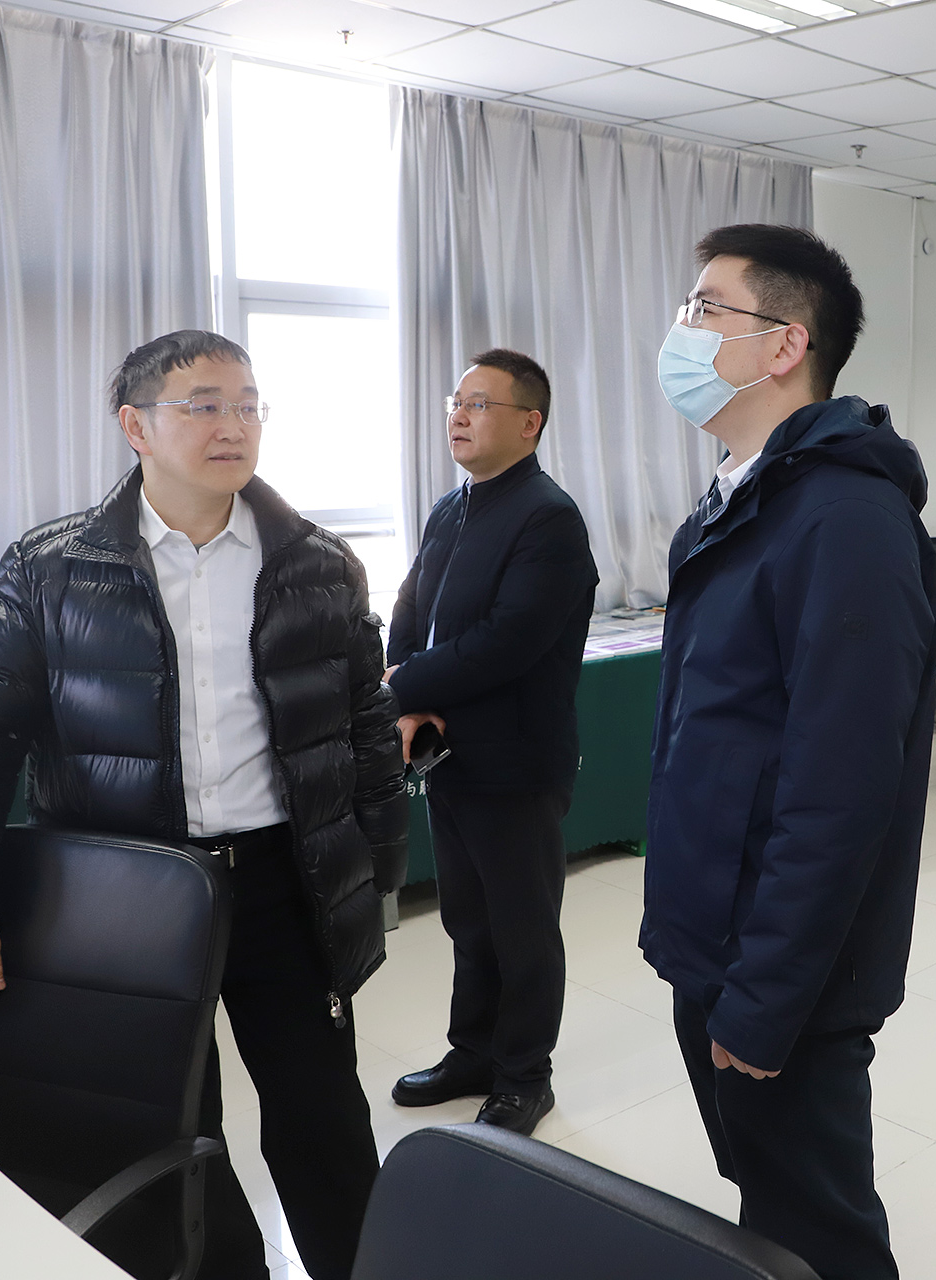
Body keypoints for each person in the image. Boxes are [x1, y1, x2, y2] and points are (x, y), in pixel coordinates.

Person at [0, 330, 407, 1280]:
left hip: (283, 884)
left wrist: (374, 869)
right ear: (135, 426)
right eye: (204, 405)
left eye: (248, 405)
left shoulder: (317, 562)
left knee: (324, 1117)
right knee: (167, 1122)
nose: (234, 426)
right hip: (129, 894)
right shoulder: (54, 568)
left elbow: (365, 727)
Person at [642, 224, 936, 1280]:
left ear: (783, 344)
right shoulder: (740, 499)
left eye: (705, 308)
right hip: (717, 939)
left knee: (819, 1232)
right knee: (764, 1205)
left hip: (786, 969)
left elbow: (840, 791)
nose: (682, 328)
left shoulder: (846, 517)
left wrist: (765, 996)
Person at [383, 347, 596, 1137]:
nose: (459, 416)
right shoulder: (452, 507)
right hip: (449, 756)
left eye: (479, 404)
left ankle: (524, 1076)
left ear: (529, 423)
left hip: (516, 763)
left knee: (521, 929)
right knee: (468, 923)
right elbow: (413, 607)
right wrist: (404, 690)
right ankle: (471, 1052)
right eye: (456, 402)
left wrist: (401, 688)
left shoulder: (548, 518)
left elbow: (508, 642)